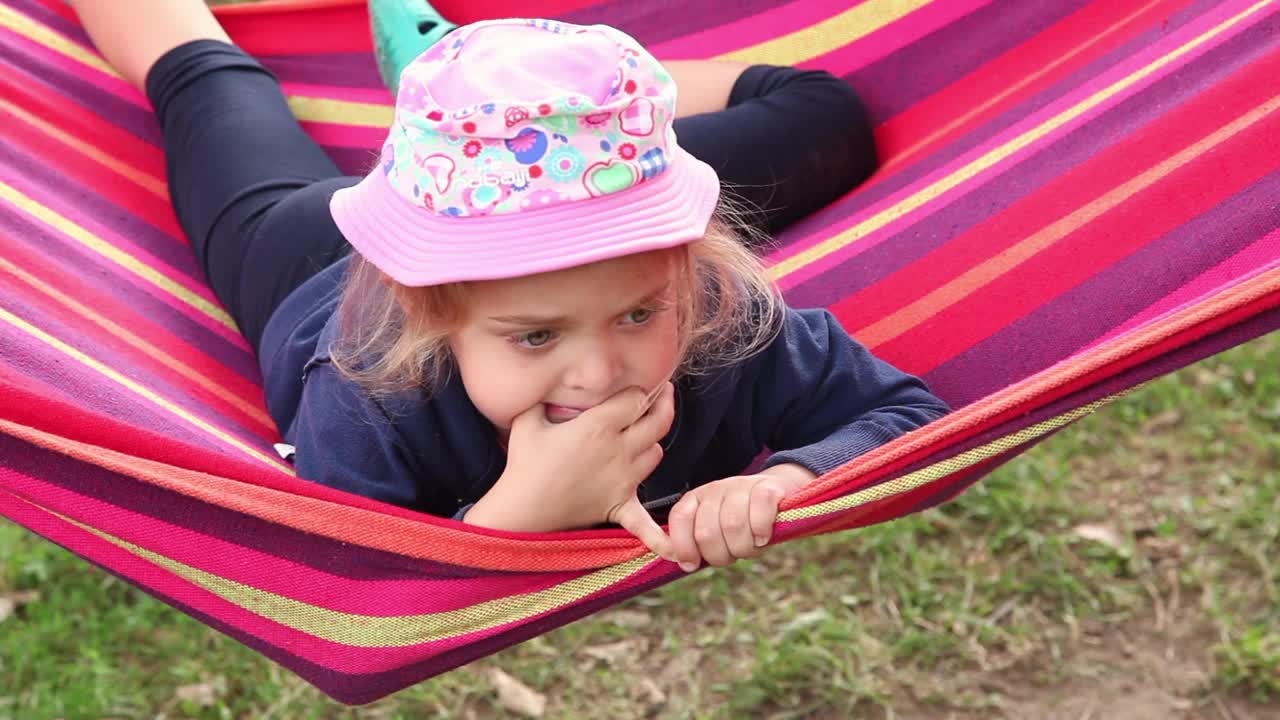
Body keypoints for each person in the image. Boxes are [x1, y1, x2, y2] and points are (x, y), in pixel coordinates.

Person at [68, 0, 950, 574]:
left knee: (822, 119)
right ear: (432, 318)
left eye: (642, 313)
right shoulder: (369, 396)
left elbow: (908, 415)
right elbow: (352, 606)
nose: (601, 370)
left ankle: (510, 103)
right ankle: (462, 101)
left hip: (591, 190)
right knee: (202, 79)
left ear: (690, 262)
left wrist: (784, 480)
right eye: (535, 337)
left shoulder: (719, 316)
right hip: (303, 252)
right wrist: (516, 518)